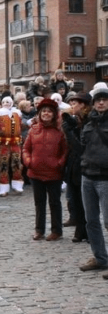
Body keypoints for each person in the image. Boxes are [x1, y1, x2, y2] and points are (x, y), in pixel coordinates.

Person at [22, 98, 68, 241]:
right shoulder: (34, 129)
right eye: (44, 111)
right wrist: (29, 162)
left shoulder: (60, 131)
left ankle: (56, 230)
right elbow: (26, 149)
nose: (46, 114)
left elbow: (65, 151)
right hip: (36, 172)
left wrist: (59, 164)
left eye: (49, 111)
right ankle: (39, 230)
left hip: (53, 172)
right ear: (40, 113)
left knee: (54, 202)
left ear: (54, 114)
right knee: (39, 203)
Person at [78, 83, 108, 275]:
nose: (102, 103)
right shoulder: (88, 123)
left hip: (106, 178)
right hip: (87, 176)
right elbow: (81, 147)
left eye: (105, 100)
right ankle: (100, 258)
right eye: (98, 100)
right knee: (91, 221)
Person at [62, 91, 92, 242]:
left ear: (83, 105)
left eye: (75, 103)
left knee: (84, 202)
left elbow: (81, 148)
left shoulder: (89, 122)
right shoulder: (78, 120)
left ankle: (86, 231)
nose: (72, 106)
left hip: (84, 166)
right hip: (74, 165)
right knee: (75, 200)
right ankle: (80, 230)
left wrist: (69, 132)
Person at [0, 96, 25, 196]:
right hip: (3, 143)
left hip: (15, 142)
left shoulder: (17, 113)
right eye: (4, 102)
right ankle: (3, 186)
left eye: (8, 101)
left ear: (12, 103)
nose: (6, 103)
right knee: (3, 164)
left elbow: (20, 125)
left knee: (16, 163)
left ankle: (17, 185)